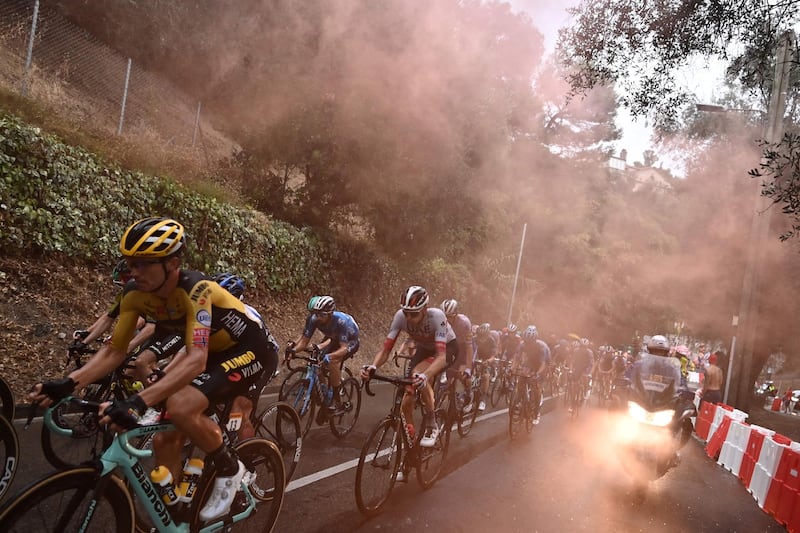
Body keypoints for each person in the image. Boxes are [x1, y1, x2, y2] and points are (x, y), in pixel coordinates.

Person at [30, 217, 279, 522]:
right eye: (130, 263)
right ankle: (175, 516)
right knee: (165, 439)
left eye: (143, 264)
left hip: (249, 349)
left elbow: (195, 359)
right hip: (211, 352)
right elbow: (115, 351)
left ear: (173, 264)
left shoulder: (197, 290)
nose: (133, 272)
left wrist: (137, 402)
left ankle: (230, 468)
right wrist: (68, 384)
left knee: (182, 405)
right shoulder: (134, 294)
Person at [362, 286, 458, 447]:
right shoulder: (400, 317)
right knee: (407, 399)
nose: (409, 317)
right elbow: (385, 350)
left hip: (447, 348)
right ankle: (412, 442)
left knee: (418, 375)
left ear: (425, 309)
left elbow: (441, 356)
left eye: (413, 314)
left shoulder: (437, 317)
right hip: (424, 348)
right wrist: (373, 366)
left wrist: (425, 375)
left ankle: (431, 424)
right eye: (406, 313)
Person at [287, 295, 360, 418]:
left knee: (332, 362)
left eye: (322, 315)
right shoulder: (313, 318)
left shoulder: (341, 322)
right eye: (316, 314)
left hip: (350, 341)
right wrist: (293, 351)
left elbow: (343, 348)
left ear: (330, 314)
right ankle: (325, 394)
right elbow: (304, 341)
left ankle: (337, 401)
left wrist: (330, 356)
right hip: (333, 337)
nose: (318, 318)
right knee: (318, 362)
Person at [73, 259, 155, 354]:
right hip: (146, 329)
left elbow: (140, 322)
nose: (122, 282)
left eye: (125, 278)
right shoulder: (127, 292)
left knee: (139, 363)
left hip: (162, 332)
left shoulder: (149, 293)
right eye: (121, 278)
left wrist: (115, 338)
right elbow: (108, 318)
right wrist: (86, 336)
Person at [513, 325, 551, 424]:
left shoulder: (541, 346)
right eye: (526, 341)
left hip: (542, 363)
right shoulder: (522, 344)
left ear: (535, 340)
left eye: (530, 342)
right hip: (530, 361)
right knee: (521, 378)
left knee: (536, 386)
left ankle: (537, 412)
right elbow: (517, 358)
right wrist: (512, 369)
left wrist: (537, 374)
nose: (528, 344)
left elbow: (543, 364)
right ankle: (521, 400)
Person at [440, 298, 473, 406]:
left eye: (449, 317)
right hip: (449, 346)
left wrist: (468, 368)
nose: (447, 320)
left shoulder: (465, 323)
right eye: (445, 317)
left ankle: (468, 393)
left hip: (462, 348)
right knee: (444, 373)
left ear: (456, 315)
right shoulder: (440, 321)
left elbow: (469, 347)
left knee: (463, 375)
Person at [473, 322, 499, 410]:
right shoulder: (474, 339)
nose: (481, 339)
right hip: (477, 358)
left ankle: (483, 399)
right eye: (480, 336)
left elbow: (493, 356)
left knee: (485, 376)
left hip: (487, 360)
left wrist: (488, 361)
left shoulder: (491, 340)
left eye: (484, 336)